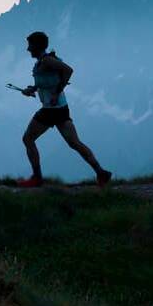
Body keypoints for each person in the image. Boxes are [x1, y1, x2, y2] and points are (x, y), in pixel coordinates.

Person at [16, 30, 112, 188]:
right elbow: (47, 81)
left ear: (37, 46)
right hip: (60, 109)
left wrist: (56, 93)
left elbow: (68, 70)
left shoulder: (47, 61)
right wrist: (32, 89)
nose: (28, 49)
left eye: (30, 45)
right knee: (74, 143)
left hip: (51, 110)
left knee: (28, 139)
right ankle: (101, 173)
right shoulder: (43, 62)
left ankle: (37, 178)